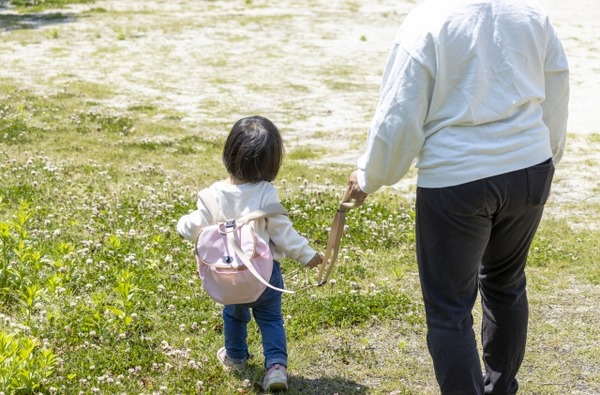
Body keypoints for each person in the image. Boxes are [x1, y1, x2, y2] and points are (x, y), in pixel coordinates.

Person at [346, 0, 569, 394]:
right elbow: (557, 89)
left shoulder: (428, 21)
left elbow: (398, 116)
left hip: (457, 179)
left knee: (449, 310)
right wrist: (548, 156)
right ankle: (501, 388)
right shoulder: (530, 14)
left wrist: (369, 176)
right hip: (529, 167)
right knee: (506, 281)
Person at [177, 115, 323, 392]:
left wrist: (180, 226)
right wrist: (306, 255)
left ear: (228, 154)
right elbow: (284, 233)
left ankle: (235, 357)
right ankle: (276, 366)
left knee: (234, 314)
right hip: (265, 275)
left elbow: (192, 225)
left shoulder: (212, 195)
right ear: (271, 163)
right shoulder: (266, 194)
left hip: (228, 274)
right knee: (270, 319)